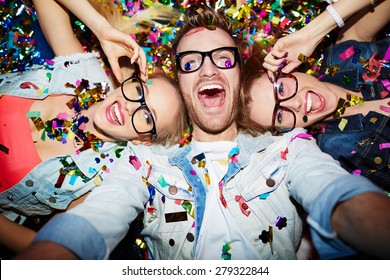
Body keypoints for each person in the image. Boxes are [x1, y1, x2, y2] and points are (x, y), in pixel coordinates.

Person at [15, 4, 390, 260]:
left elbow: (337, 196)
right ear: (181, 81)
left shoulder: (289, 149)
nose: (208, 70)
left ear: (238, 74)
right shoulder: (140, 164)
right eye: (191, 62)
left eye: (223, 59)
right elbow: (95, 220)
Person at [0, 0, 187, 256]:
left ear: (144, 140)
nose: (130, 107)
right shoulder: (85, 73)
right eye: (138, 92)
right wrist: (100, 27)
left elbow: (49, 249)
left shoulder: (96, 183)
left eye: (146, 116)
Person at [242, 0, 390, 191]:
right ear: (286, 131)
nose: (295, 103)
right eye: (279, 115)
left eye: (281, 89)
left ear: (287, 70)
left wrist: (310, 34)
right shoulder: (339, 153)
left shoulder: (344, 51)